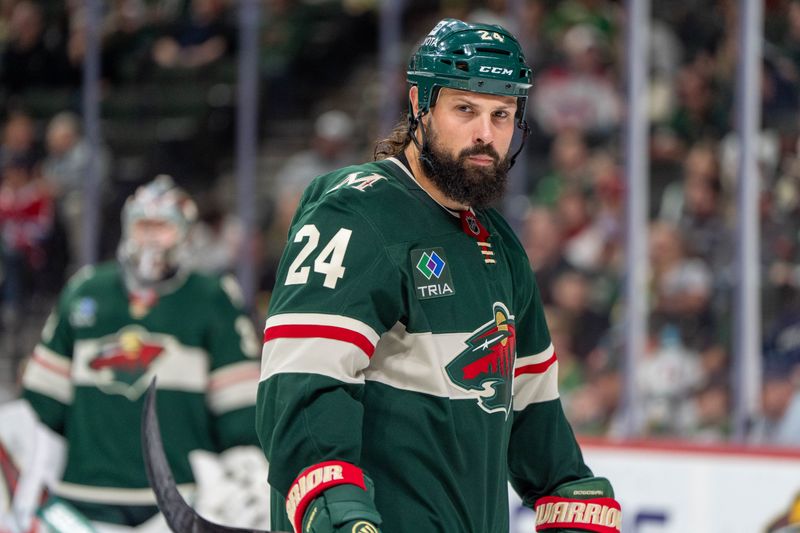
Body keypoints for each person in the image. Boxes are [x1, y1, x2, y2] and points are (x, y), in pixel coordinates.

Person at [257, 18, 621, 533]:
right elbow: (303, 386)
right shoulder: (357, 212)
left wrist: (571, 498)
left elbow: (533, 411)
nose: (485, 134)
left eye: (502, 115)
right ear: (418, 105)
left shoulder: (499, 243)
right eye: (465, 109)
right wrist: (334, 507)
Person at [19, 175, 262, 530]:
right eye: (142, 225)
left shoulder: (213, 298)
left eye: (161, 226)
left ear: (186, 232)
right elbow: (43, 404)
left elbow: (240, 413)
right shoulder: (86, 289)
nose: (150, 237)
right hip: (84, 500)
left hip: (179, 501)